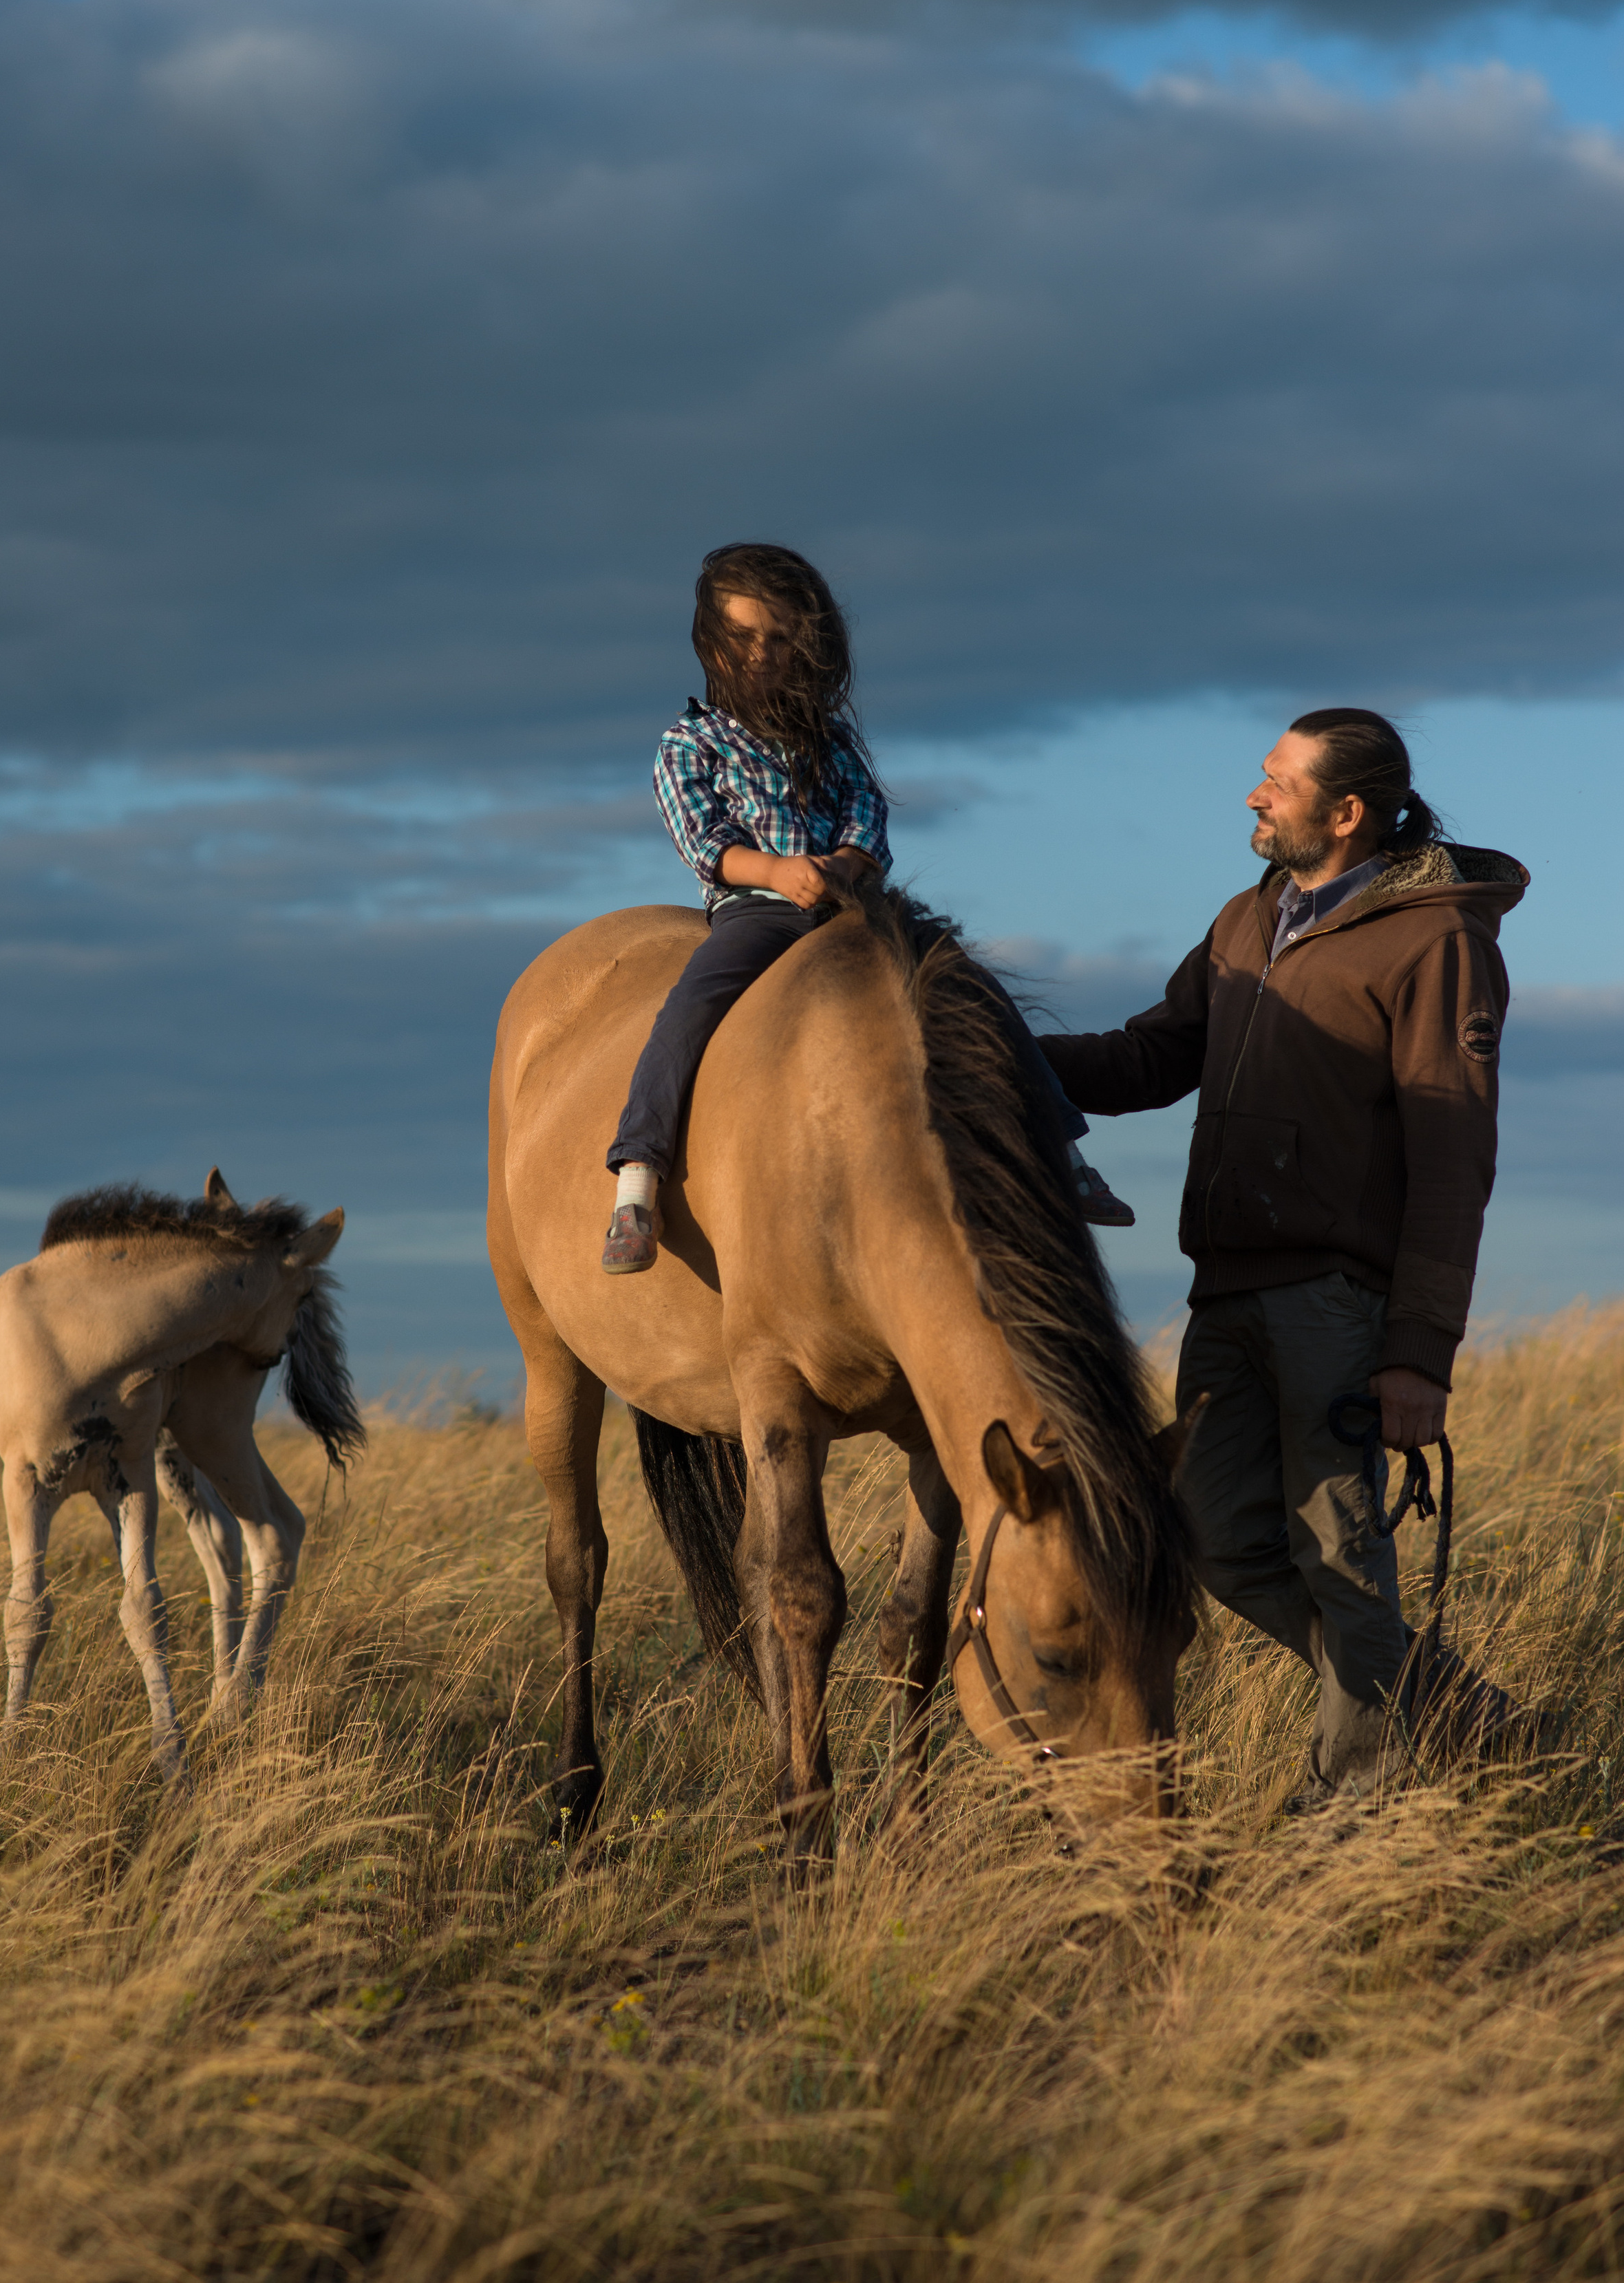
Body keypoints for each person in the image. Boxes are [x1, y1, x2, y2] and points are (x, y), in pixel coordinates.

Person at [1038, 709, 1528, 1803]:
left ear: (1346, 812)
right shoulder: (1247, 917)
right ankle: (1465, 1718)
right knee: (1214, 1543)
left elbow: (1456, 1164)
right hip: (1228, 1290)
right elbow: (1153, 1055)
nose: (1254, 797)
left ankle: (1348, 1809)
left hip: (1337, 1304)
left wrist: (1419, 1353)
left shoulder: (1437, 943)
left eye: (1277, 781)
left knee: (1342, 1558)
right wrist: (1002, 1048)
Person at [603, 542, 1131, 1274]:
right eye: (743, 638)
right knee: (693, 1003)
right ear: (710, 644)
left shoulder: (831, 739)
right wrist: (779, 871)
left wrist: (846, 866)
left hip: (853, 906)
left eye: (780, 638)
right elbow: (706, 839)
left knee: (969, 984)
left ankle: (1061, 1151)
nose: (762, 654)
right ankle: (637, 1178)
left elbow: (864, 817)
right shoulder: (690, 742)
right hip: (759, 907)